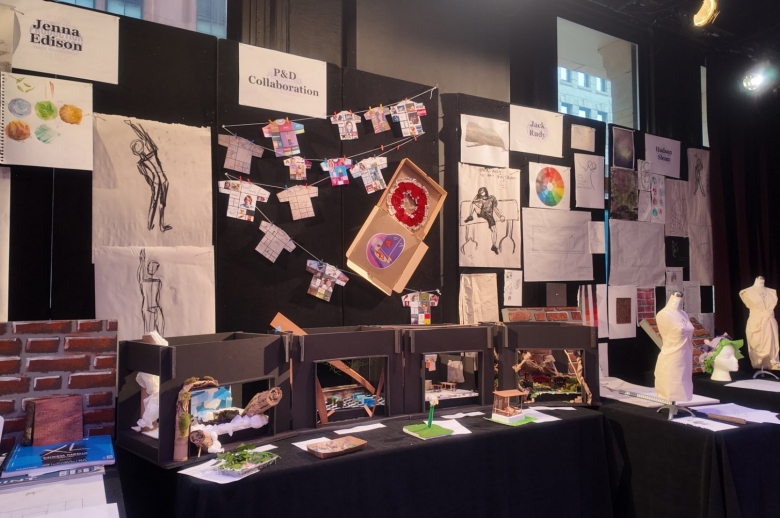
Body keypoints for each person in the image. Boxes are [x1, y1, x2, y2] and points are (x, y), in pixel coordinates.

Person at [126, 120, 172, 232]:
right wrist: (133, 125)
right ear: (143, 146)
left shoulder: (140, 163)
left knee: (154, 203)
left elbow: (146, 176)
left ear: (136, 152)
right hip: (163, 180)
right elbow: (144, 136)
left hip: (156, 182)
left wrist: (152, 185)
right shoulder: (152, 150)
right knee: (162, 203)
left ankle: (150, 225)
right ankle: (160, 226)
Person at [654, 292, 693, 402]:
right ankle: (671, 406)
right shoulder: (663, 314)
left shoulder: (684, 314)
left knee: (683, 390)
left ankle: (675, 406)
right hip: (672, 360)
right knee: (670, 391)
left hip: (685, 359)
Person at [464, 187, 505, 254]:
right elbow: (473, 202)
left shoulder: (492, 198)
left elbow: (495, 208)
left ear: (486, 191)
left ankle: (493, 246)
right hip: (481, 212)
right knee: (473, 205)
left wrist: (500, 216)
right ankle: (470, 216)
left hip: (489, 216)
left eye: (482, 191)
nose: (481, 192)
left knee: (494, 230)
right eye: (480, 192)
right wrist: (477, 197)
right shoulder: (479, 198)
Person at [138, 249, 165, 336]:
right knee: (150, 333)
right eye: (152, 267)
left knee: (160, 331)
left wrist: (158, 308)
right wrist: (142, 261)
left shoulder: (158, 282)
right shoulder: (144, 281)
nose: (153, 269)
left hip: (156, 308)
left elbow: (158, 297)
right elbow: (140, 276)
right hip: (147, 309)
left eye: (155, 268)